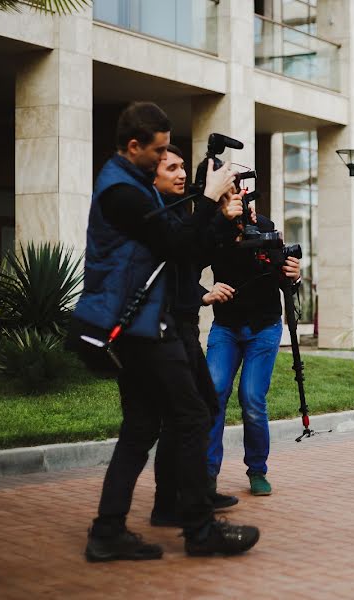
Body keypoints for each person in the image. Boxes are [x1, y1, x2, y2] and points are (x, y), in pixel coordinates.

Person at [71, 101, 260, 561]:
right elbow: (177, 244)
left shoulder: (134, 186)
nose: (162, 160)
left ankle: (109, 530)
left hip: (145, 325)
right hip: (141, 328)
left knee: (140, 427)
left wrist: (214, 209)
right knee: (193, 415)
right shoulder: (122, 193)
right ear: (133, 146)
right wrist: (212, 197)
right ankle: (198, 529)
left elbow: (184, 245)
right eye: (158, 153)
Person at [149, 144, 241, 528]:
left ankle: (186, 497)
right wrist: (209, 204)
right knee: (189, 413)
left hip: (182, 324)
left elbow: (194, 256)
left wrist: (220, 218)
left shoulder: (177, 208)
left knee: (194, 411)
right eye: (171, 167)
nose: (181, 173)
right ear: (151, 174)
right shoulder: (156, 212)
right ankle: (182, 505)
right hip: (165, 327)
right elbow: (176, 260)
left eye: (183, 166)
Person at [205, 204, 301, 498]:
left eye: (247, 199)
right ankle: (208, 473)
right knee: (213, 392)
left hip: (264, 327)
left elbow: (285, 279)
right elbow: (182, 270)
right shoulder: (211, 230)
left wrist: (294, 274)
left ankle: (257, 470)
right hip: (226, 327)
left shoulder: (265, 226)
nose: (244, 206)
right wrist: (203, 293)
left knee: (251, 398)